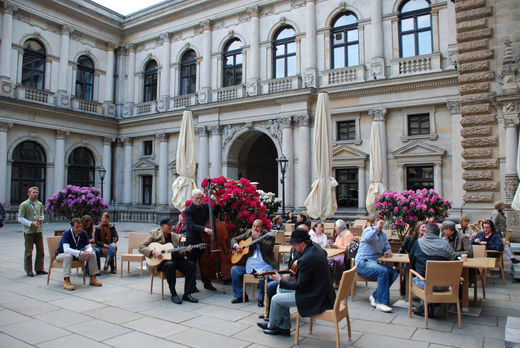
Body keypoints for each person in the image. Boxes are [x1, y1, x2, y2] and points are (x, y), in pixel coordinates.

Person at [256, 228, 335, 336]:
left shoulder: (305, 259)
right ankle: (284, 326)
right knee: (281, 288)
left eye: (294, 244)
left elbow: (300, 286)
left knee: (275, 299)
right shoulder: (315, 247)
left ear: (302, 243)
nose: (293, 247)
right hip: (322, 291)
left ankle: (272, 325)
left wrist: (279, 279)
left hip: (316, 297)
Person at [139, 218, 198, 304]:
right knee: (170, 265)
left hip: (175, 258)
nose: (171, 227)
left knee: (191, 265)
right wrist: (153, 252)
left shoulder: (175, 236)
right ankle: (173, 294)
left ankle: (187, 293)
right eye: (169, 225)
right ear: (162, 226)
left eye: (172, 225)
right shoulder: (154, 233)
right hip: (160, 262)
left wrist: (185, 250)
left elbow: (178, 251)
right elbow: (141, 247)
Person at [409, 223, 456, 317]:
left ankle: (426, 307)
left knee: (420, 278)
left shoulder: (418, 242)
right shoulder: (445, 244)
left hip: (424, 284)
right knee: (427, 279)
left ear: (426, 232)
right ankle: (430, 305)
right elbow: (453, 259)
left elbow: (411, 259)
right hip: (443, 285)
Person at [354, 216, 397, 312]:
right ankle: (381, 302)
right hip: (363, 263)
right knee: (383, 271)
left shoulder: (383, 235)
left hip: (375, 263)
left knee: (393, 273)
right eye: (378, 220)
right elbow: (367, 237)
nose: (381, 222)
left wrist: (388, 251)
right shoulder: (368, 230)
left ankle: (375, 296)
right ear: (373, 223)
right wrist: (376, 228)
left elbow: (387, 247)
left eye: (382, 220)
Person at [230, 219, 276, 305]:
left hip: (264, 265)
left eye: (257, 226)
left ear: (262, 228)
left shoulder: (269, 235)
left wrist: (259, 238)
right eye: (253, 226)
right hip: (249, 266)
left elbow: (269, 248)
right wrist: (236, 246)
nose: (255, 228)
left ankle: (262, 298)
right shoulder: (248, 233)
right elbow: (234, 239)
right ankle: (240, 295)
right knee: (235, 270)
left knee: (264, 275)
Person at [184, 188, 217, 291]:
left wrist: (215, 202)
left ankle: (207, 283)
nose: (199, 200)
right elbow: (191, 225)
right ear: (192, 198)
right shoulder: (188, 210)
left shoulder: (204, 207)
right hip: (192, 240)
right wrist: (204, 229)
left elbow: (214, 213)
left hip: (203, 239)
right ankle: (192, 285)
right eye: (197, 198)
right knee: (192, 263)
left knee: (204, 262)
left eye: (200, 198)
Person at [55, 218, 103, 290]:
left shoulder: (83, 233)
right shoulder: (66, 233)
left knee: (92, 254)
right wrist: (80, 252)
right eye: (77, 227)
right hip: (62, 254)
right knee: (68, 256)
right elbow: (66, 249)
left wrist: (88, 252)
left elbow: (88, 246)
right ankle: (66, 280)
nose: (79, 229)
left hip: (76, 254)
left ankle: (93, 277)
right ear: (72, 227)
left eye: (80, 226)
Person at [17, 186, 47, 277]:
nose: (35, 194)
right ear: (29, 193)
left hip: (38, 230)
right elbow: (20, 218)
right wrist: (30, 223)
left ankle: (39, 268)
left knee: (41, 251)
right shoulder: (24, 205)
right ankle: (28, 270)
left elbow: (41, 214)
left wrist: (41, 218)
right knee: (29, 252)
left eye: (37, 192)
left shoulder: (39, 204)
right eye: (33, 192)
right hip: (29, 231)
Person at [397, 223, 426, 296]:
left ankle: (421, 290)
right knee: (408, 268)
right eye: (423, 227)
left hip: (421, 263)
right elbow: (401, 251)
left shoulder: (427, 241)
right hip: (409, 261)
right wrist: (395, 264)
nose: (424, 229)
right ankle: (404, 290)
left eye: (426, 228)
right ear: (418, 228)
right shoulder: (409, 238)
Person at [328, 220, 354, 285]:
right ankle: (331, 280)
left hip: (344, 256)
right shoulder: (339, 235)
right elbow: (336, 244)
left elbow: (347, 248)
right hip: (337, 253)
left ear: (339, 228)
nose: (335, 228)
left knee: (330, 261)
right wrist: (333, 245)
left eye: (335, 227)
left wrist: (336, 246)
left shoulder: (348, 234)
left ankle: (334, 280)